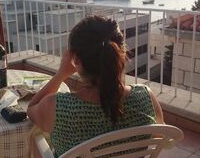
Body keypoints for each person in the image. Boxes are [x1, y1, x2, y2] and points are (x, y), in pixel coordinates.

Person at [27, 16, 164, 157]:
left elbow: (31, 109)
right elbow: (160, 134)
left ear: (76, 60)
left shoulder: (57, 107)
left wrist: (61, 73)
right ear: (120, 54)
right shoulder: (145, 96)